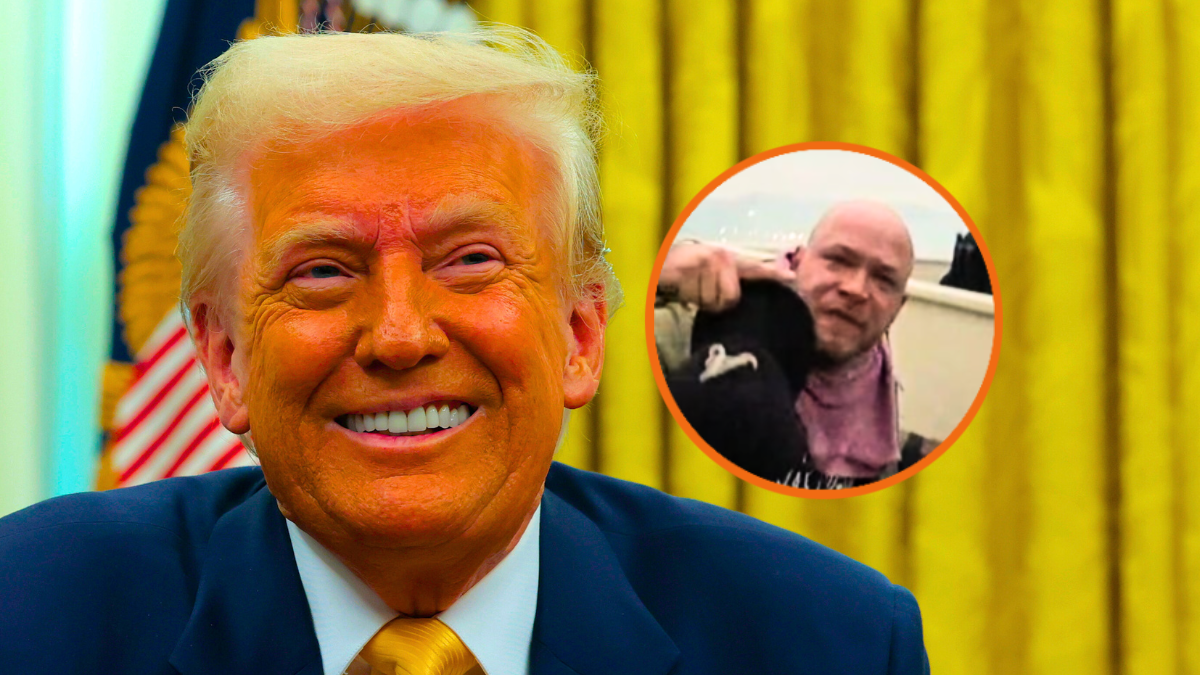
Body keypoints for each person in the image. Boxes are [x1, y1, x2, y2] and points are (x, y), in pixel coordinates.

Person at [0, 29, 928, 674]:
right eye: (324, 271)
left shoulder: (828, 643)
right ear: (225, 356)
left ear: (579, 332)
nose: (401, 335)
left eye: (471, 261)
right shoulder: (29, 617)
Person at [659, 201, 915, 486]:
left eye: (883, 279)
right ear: (797, 262)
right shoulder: (691, 335)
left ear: (897, 309)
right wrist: (657, 278)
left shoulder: (885, 418)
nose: (855, 289)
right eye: (838, 260)